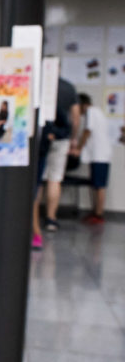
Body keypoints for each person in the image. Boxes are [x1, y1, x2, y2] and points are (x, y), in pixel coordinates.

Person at [32, 78, 80, 249]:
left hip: (40, 143)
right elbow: (75, 118)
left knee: (39, 183)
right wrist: (72, 139)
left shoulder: (38, 84)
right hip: (54, 141)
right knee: (53, 179)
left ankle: (36, 227)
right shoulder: (68, 88)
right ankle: (50, 218)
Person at [75, 93, 111, 224]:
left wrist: (78, 148)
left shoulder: (91, 112)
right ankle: (95, 212)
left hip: (99, 155)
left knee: (99, 186)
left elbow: (87, 131)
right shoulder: (98, 112)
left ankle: (99, 214)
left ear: (82, 105)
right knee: (96, 185)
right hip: (99, 155)